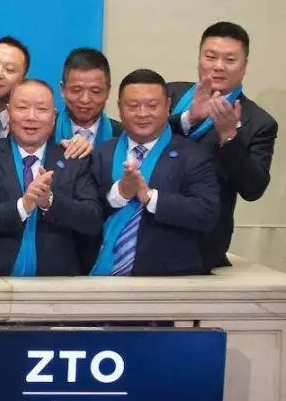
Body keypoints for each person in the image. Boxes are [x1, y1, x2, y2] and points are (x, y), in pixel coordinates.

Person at [0, 79, 102, 275]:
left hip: (57, 284)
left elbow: (93, 219)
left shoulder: (73, 160)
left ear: (54, 117)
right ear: (9, 113)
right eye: (22, 108)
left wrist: (49, 202)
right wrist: (22, 207)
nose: (31, 117)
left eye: (41, 109)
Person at [167, 21, 278, 270]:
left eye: (230, 60)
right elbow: (140, 139)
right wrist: (188, 119)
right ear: (199, 59)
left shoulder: (258, 122)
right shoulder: (169, 95)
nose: (218, 66)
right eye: (211, 57)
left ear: (244, 66)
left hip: (203, 243)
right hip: (147, 226)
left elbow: (253, 189)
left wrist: (229, 137)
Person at [89, 69, 219, 276]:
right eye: (133, 106)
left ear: (167, 106)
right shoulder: (101, 154)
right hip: (103, 277)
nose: (142, 114)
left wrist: (150, 197)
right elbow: (88, 213)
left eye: (152, 105)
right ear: (120, 108)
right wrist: (119, 194)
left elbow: (207, 214)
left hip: (168, 280)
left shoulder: (193, 156)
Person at [56, 47, 121, 146]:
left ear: (108, 92)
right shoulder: (44, 133)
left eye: (95, 91)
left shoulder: (123, 137)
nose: (85, 99)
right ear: (62, 89)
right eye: (76, 90)